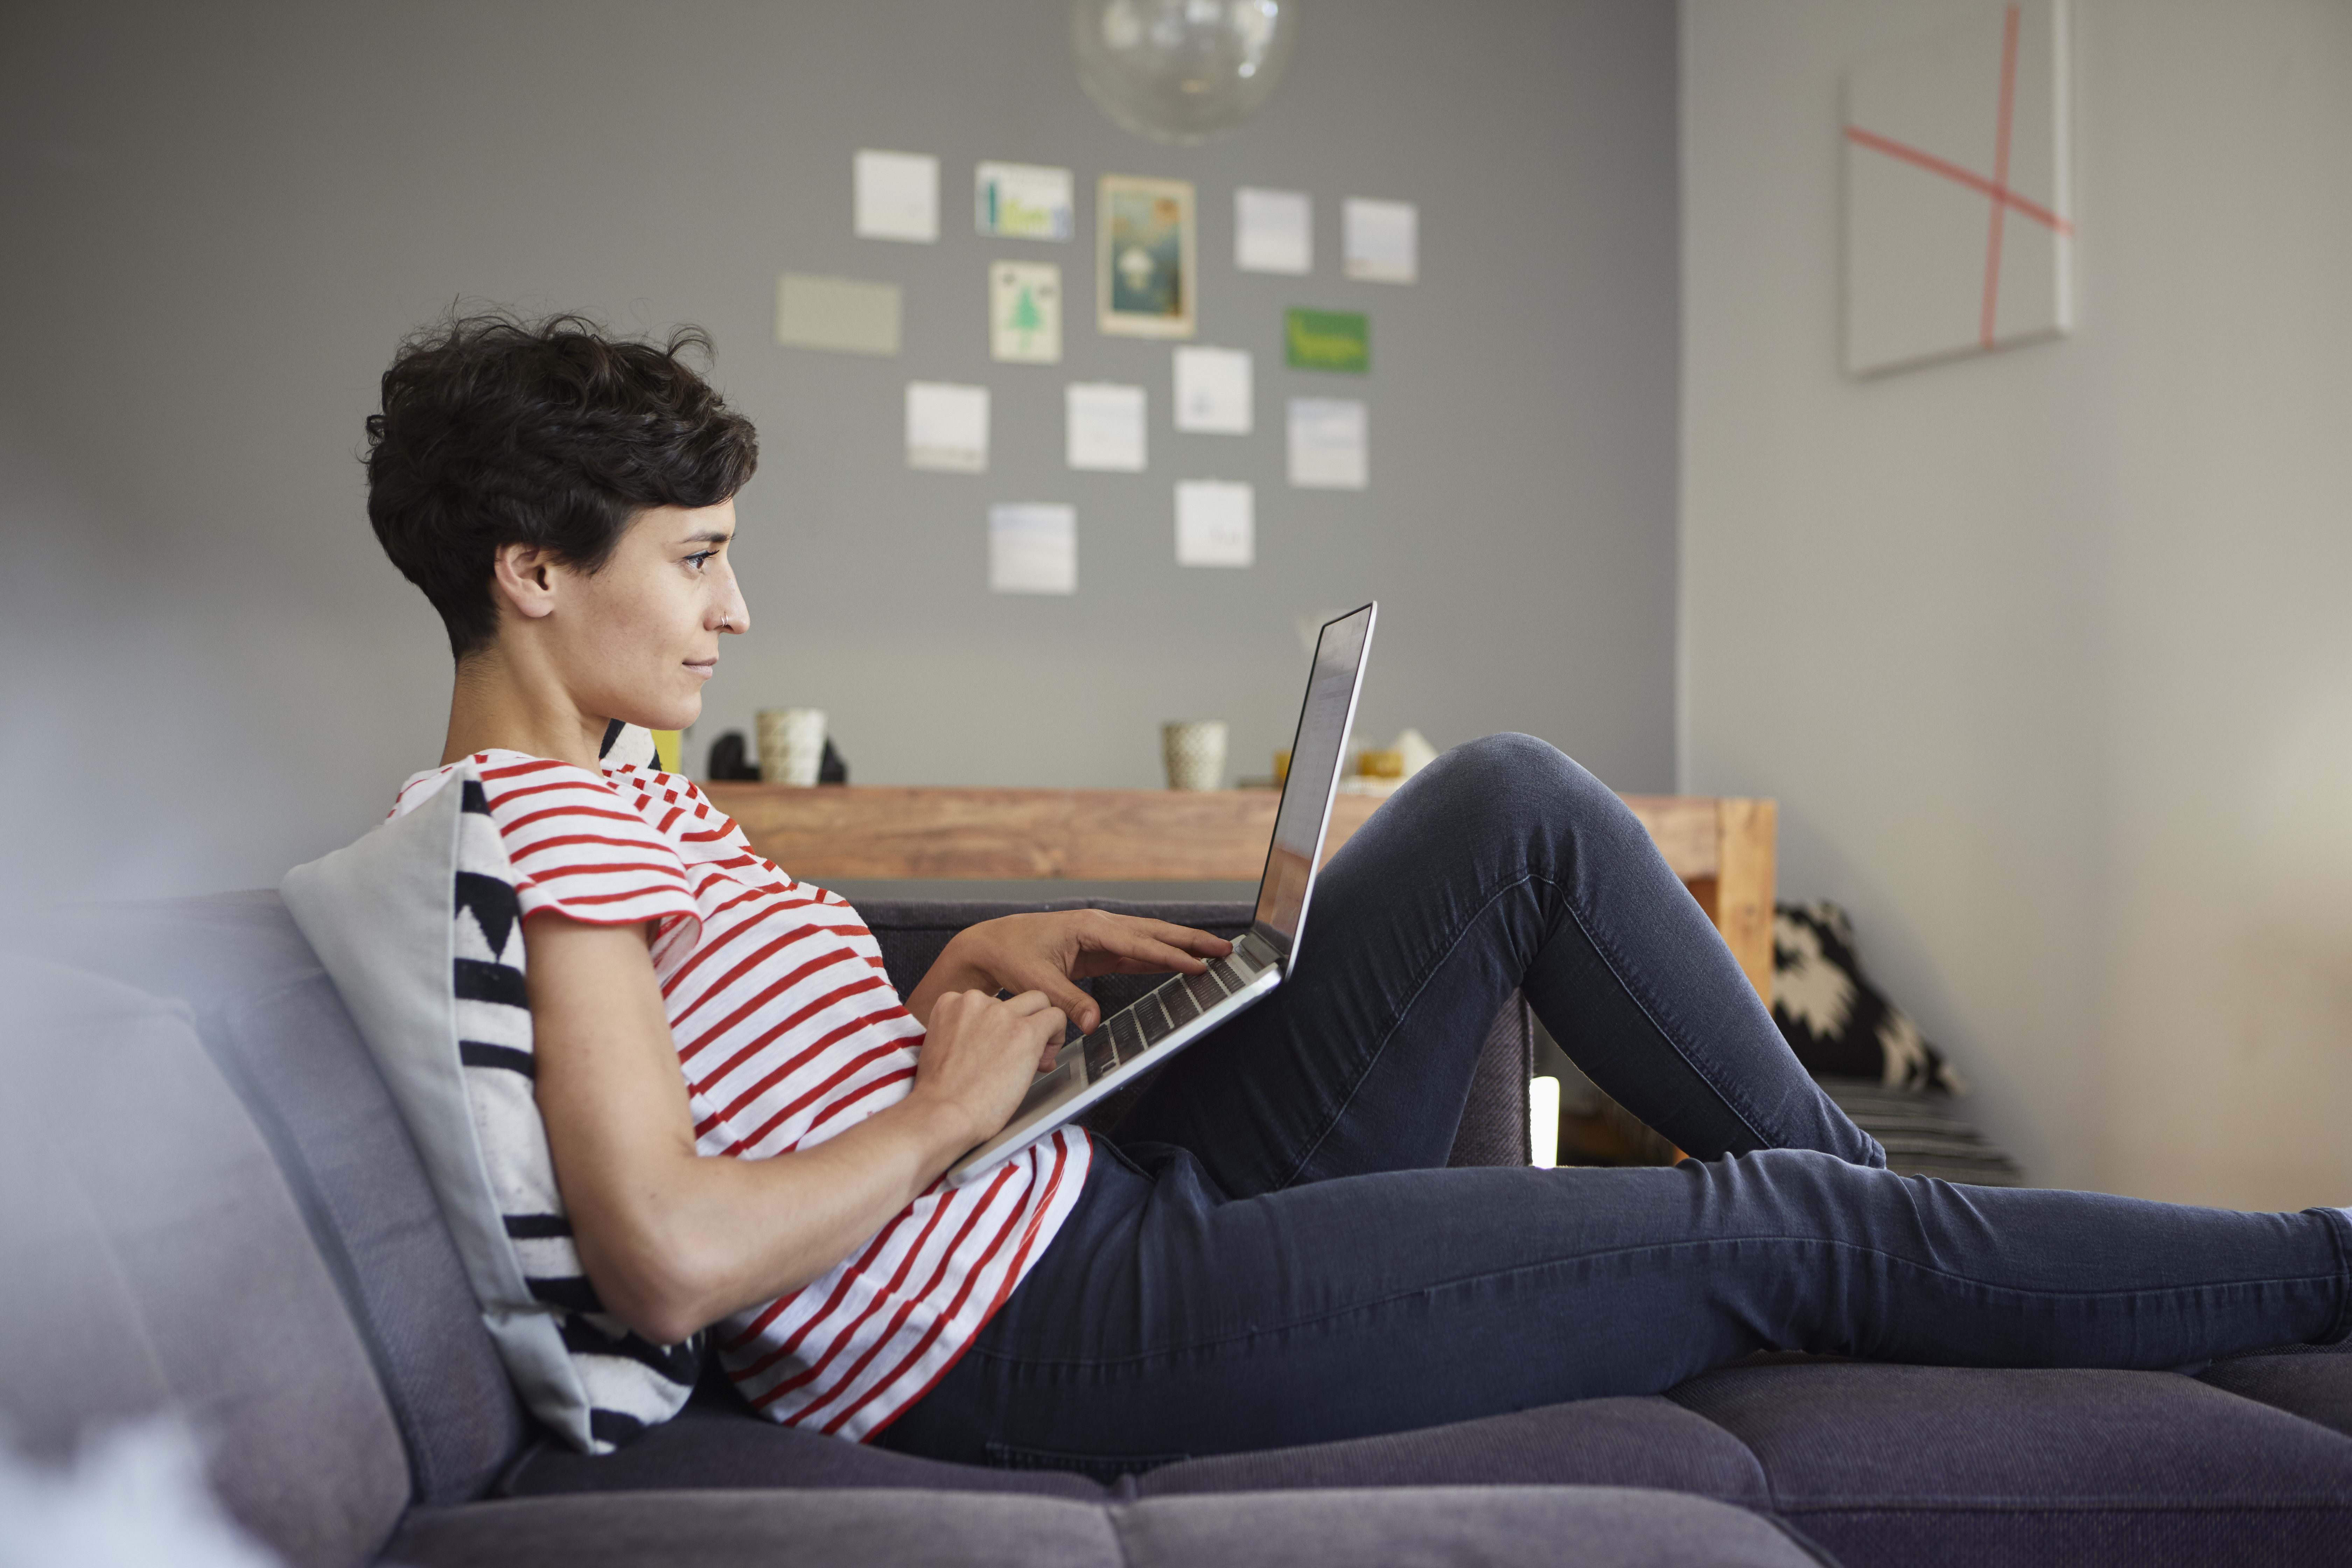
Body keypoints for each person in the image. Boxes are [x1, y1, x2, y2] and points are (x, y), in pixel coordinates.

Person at [364, 313, 2350, 1470]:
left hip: (1092, 1192)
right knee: (1763, 1223)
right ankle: (2273, 1260)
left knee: (1512, 804)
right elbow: (672, 1260)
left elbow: (735, 1059)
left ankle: (1891, 1254)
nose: (736, 605)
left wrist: (964, 965)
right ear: (535, 570)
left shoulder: (610, 794)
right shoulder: (544, 833)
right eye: (696, 558)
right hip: (1047, 1327)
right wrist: (943, 1108)